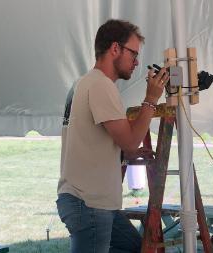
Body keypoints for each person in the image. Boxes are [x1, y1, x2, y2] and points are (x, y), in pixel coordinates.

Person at [56, 19, 169, 253]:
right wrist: (151, 99)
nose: (136, 62)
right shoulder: (100, 85)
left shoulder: (83, 83)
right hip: (89, 204)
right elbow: (129, 140)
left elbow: (111, 141)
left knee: (136, 247)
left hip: (88, 202)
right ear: (115, 48)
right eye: (133, 54)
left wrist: (129, 152)